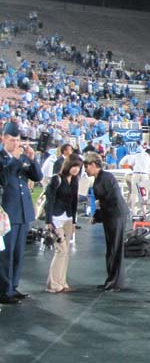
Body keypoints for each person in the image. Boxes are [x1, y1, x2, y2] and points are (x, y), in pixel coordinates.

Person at [0, 121, 43, 304]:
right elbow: (3, 178)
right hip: (8, 212)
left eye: (18, 139)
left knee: (18, 252)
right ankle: (3, 290)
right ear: (3, 139)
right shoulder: (3, 158)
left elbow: (38, 177)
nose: (16, 143)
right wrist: (15, 160)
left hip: (23, 212)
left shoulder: (23, 157)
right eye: (12, 139)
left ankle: (13, 286)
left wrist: (32, 160)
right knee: (6, 254)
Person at [84, 152, 128, 292]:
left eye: (86, 166)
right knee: (111, 249)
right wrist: (97, 216)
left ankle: (116, 282)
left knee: (115, 248)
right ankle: (111, 279)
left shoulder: (106, 177)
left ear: (93, 165)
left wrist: (99, 215)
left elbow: (111, 199)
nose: (85, 170)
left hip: (116, 215)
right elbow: (100, 202)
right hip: (110, 216)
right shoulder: (98, 179)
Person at [44, 155, 82, 293]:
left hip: (68, 218)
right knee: (61, 251)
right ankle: (54, 284)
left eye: (78, 167)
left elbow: (74, 202)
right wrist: (48, 221)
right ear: (68, 165)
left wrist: (74, 222)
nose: (76, 169)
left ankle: (61, 281)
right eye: (74, 166)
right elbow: (50, 200)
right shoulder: (56, 179)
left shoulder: (75, 181)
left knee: (65, 254)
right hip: (56, 218)